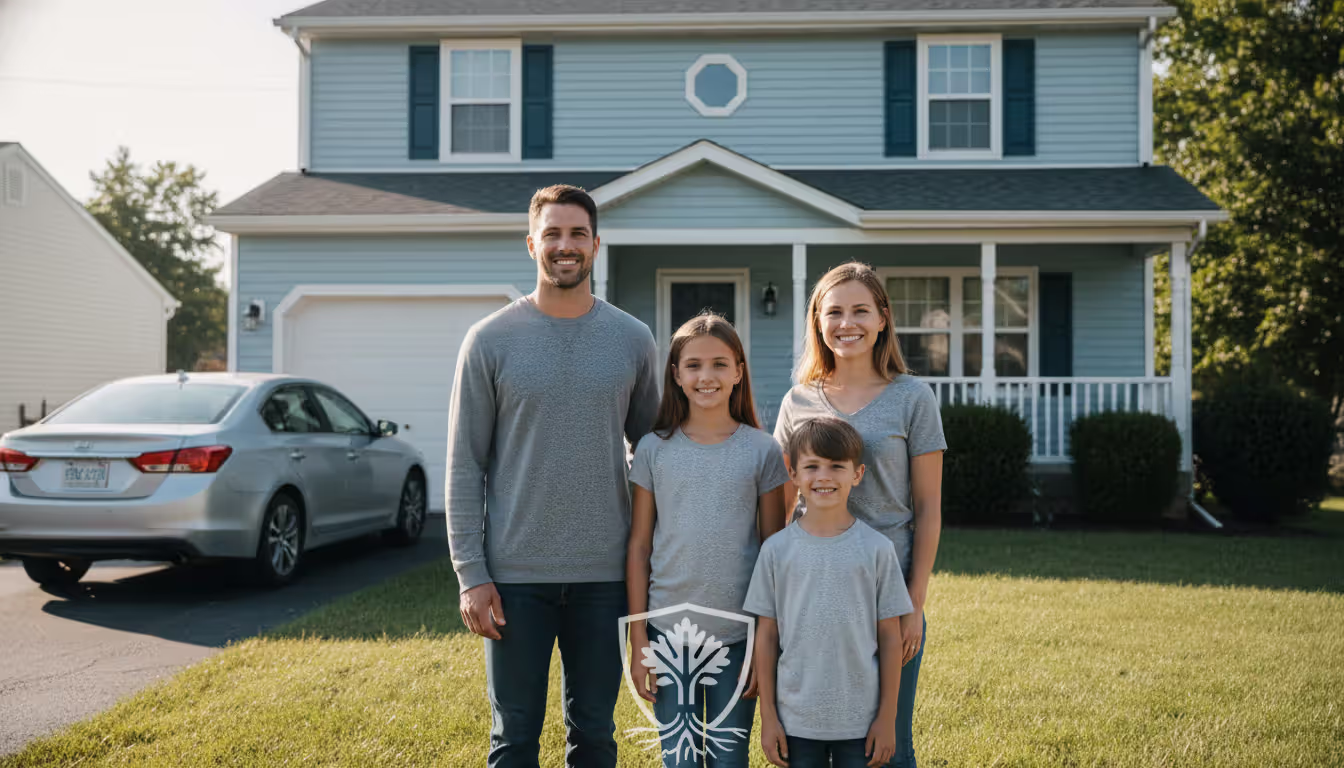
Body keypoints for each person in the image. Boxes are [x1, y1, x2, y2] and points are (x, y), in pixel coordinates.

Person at [445, 184, 660, 768]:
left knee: (593, 733)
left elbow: (655, 453)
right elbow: (465, 463)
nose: (565, 246)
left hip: (604, 577)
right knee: (513, 738)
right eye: (553, 234)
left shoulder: (633, 339)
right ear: (531, 244)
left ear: (596, 244)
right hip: (515, 576)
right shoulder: (489, 341)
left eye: (577, 234)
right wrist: (472, 574)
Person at [773, 262, 947, 768]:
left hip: (885, 597)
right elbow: (784, 507)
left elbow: (929, 508)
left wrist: (913, 602)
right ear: (818, 322)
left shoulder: (913, 398)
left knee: (886, 747)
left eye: (859, 311)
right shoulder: (798, 400)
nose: (846, 323)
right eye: (834, 312)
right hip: (811, 593)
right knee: (813, 740)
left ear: (882, 318)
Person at [625, 313, 789, 768]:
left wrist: (762, 642)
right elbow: (639, 547)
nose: (706, 376)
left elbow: (771, 552)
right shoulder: (654, 449)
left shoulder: (762, 450)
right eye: (693, 365)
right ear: (675, 375)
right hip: (667, 636)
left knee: (727, 759)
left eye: (720, 364)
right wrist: (639, 639)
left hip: (737, 638)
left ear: (739, 371)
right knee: (678, 759)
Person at [745, 417, 913, 768]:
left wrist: (887, 717)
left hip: (861, 723)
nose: (824, 476)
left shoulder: (877, 549)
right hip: (796, 722)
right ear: (793, 474)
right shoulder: (775, 551)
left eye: (837, 466)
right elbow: (766, 636)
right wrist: (769, 717)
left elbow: (891, 637)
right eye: (812, 466)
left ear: (857, 473)